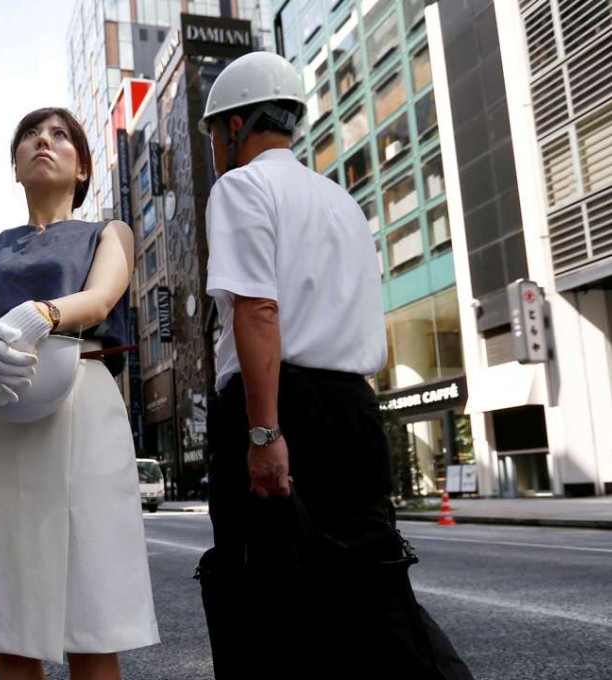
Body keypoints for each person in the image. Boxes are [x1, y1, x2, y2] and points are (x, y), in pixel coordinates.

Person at [197, 52, 473, 678]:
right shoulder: (343, 204)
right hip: (354, 407)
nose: (215, 145)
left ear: (234, 125)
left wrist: (264, 433)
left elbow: (258, 310)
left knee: (262, 588)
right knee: (370, 584)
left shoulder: (240, 188)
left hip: (278, 405)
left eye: (214, 132)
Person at [0, 107, 159, 678]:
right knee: (14, 621)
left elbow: (104, 296)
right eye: (31, 136)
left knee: (92, 618)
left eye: (61, 136)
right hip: (4, 405)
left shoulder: (110, 232)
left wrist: (45, 313)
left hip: (84, 400)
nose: (44, 142)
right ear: (14, 167)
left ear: (83, 168)